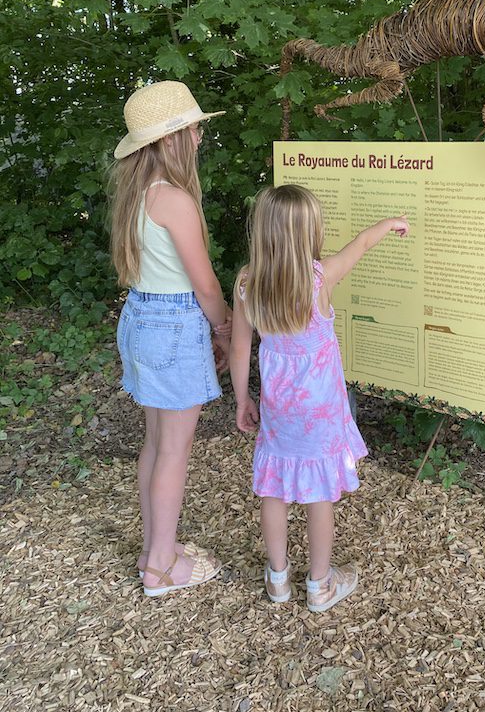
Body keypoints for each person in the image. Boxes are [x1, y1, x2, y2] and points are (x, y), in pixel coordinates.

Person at [230, 184, 409, 611]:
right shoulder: (320, 277)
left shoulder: (246, 282)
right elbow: (362, 244)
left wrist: (242, 399)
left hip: (278, 407)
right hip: (321, 409)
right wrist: (390, 223)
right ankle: (319, 586)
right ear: (310, 231)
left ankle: (277, 581)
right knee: (318, 494)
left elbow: (239, 348)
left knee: (273, 489)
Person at [109, 80, 232, 597]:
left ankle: (154, 547)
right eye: (192, 127)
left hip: (141, 318)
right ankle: (161, 566)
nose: (200, 135)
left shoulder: (136, 194)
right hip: (175, 326)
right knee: (174, 451)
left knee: (157, 444)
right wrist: (225, 328)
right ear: (168, 139)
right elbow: (203, 284)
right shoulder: (176, 200)